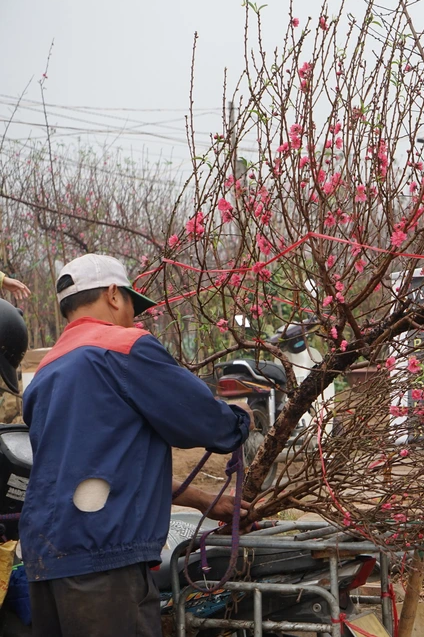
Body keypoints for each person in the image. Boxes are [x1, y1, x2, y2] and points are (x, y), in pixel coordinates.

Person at [19, 254, 251, 636]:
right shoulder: (124, 346)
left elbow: (96, 465)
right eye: (130, 303)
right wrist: (242, 417)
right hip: (103, 561)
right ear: (113, 294)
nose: (133, 317)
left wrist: (200, 498)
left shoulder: (47, 370)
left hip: (47, 562)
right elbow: (205, 422)